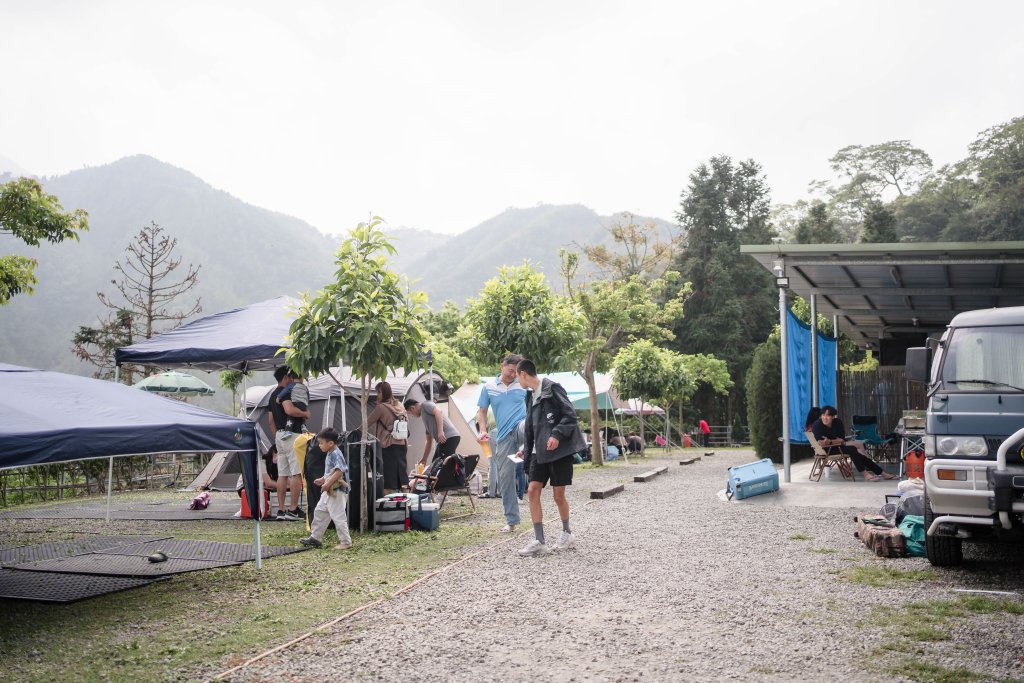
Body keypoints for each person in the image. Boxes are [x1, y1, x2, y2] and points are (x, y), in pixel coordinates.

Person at [515, 358, 587, 556]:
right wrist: (525, 449)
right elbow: (531, 428)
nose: (517, 381)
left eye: (517, 376)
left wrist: (557, 434)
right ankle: (539, 540)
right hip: (539, 453)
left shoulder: (552, 388)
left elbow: (570, 415)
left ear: (523, 374)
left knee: (558, 495)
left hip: (558, 452)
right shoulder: (529, 396)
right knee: (532, 490)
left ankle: (567, 533)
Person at [475, 354, 527, 532]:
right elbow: (481, 412)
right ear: (501, 367)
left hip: (521, 427)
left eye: (516, 371)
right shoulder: (488, 387)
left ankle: (534, 450)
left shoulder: (523, 384)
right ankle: (511, 520)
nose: (513, 374)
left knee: (527, 425)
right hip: (503, 437)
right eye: (510, 371)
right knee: (505, 477)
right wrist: (482, 430)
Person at [811, 405, 897, 482]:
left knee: (860, 456)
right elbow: (821, 444)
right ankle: (870, 474)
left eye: (828, 415)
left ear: (833, 417)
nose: (825, 418)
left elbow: (842, 440)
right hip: (826, 450)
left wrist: (830, 441)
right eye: (823, 415)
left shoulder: (837, 422)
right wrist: (833, 441)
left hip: (838, 447)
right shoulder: (817, 425)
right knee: (853, 449)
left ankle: (881, 473)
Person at [300, 428, 353, 550]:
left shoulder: (335, 453)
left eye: (321, 443)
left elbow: (340, 471)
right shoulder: (330, 453)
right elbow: (331, 471)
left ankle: (346, 542)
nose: (319, 446)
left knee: (338, 516)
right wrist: (323, 479)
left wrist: (328, 484)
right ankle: (315, 537)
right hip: (329, 490)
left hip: (337, 491)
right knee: (320, 511)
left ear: (331, 443)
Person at [273, 369, 310, 521]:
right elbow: (289, 409)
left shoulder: (271, 394)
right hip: (292, 435)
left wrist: (278, 435)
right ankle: (293, 509)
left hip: (280, 435)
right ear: (286, 377)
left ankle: (281, 510)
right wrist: (305, 414)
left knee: (282, 474)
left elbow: (270, 420)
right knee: (296, 473)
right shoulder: (288, 391)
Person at [366, 381, 409, 494]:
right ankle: (406, 506)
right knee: (402, 477)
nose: (377, 395)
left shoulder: (381, 408)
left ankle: (388, 508)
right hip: (402, 444)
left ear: (383, 393)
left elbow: (367, 423)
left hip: (388, 445)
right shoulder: (400, 405)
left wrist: (354, 433)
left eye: (378, 392)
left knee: (387, 479)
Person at [404, 398, 461, 468]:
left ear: (412, 408)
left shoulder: (425, 405)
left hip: (449, 437)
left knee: (441, 466)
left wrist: (440, 431)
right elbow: (429, 442)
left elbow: (438, 412)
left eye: (410, 413)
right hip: (444, 440)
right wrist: (424, 458)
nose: (412, 415)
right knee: (434, 464)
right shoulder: (426, 419)